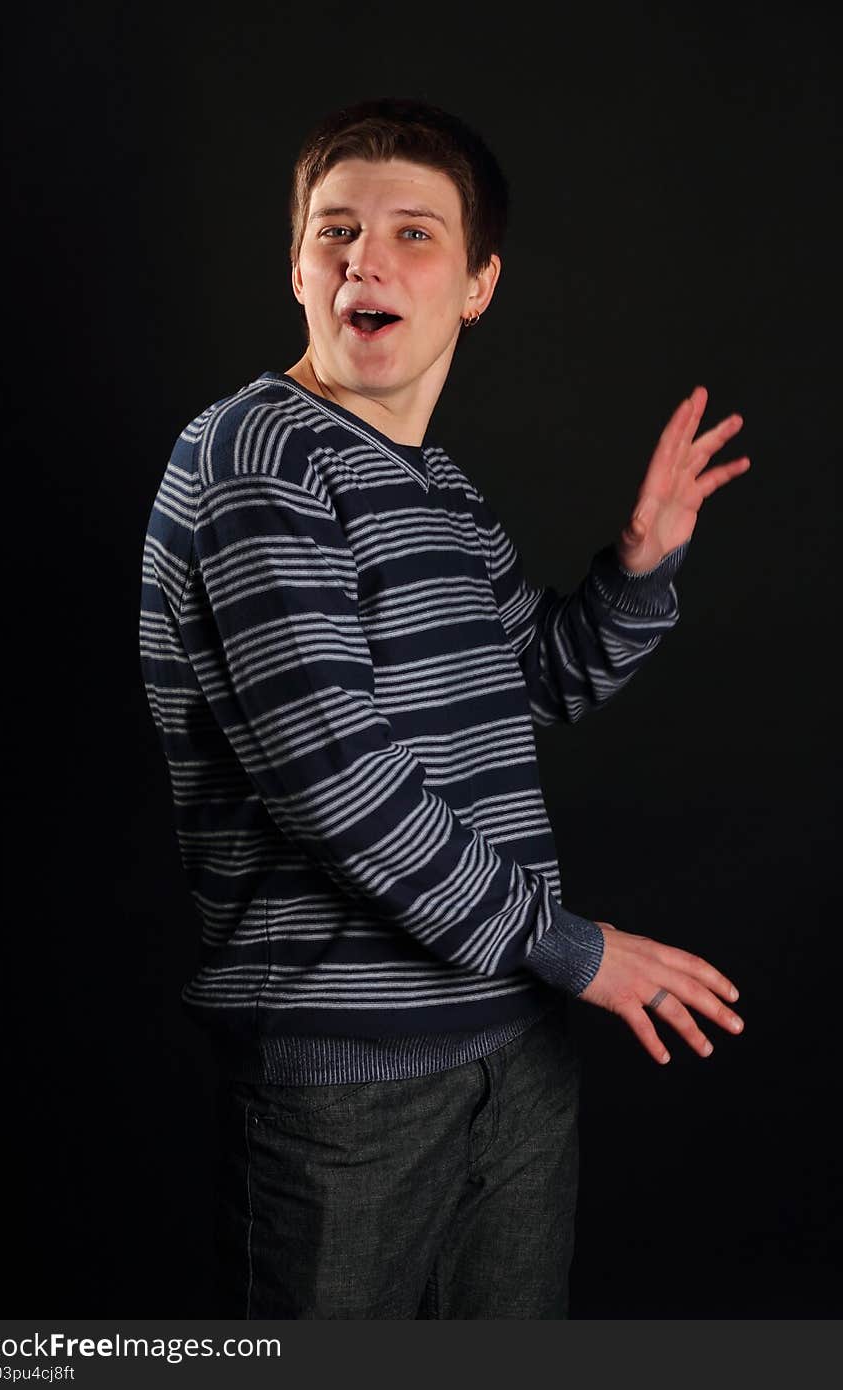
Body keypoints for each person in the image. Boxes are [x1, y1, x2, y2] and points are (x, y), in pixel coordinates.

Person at [138, 97, 749, 1319]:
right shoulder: (258, 458)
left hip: (514, 1057)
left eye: (415, 234)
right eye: (336, 231)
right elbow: (341, 784)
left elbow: (536, 682)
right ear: (299, 268)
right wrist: (576, 949)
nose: (367, 256)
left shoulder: (440, 490)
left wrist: (638, 567)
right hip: (346, 1099)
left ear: (477, 283)